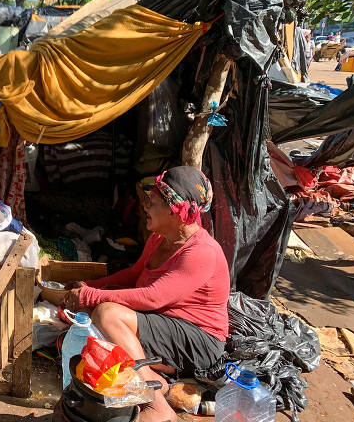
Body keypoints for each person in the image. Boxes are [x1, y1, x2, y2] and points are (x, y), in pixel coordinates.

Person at [63, 166, 229, 422]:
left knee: (107, 314)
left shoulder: (202, 252)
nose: (145, 208)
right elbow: (134, 274)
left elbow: (153, 297)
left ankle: (155, 403)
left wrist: (93, 296)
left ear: (175, 211)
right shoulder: (159, 237)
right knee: (86, 328)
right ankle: (158, 380)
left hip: (199, 341)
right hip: (165, 324)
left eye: (152, 203)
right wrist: (92, 285)